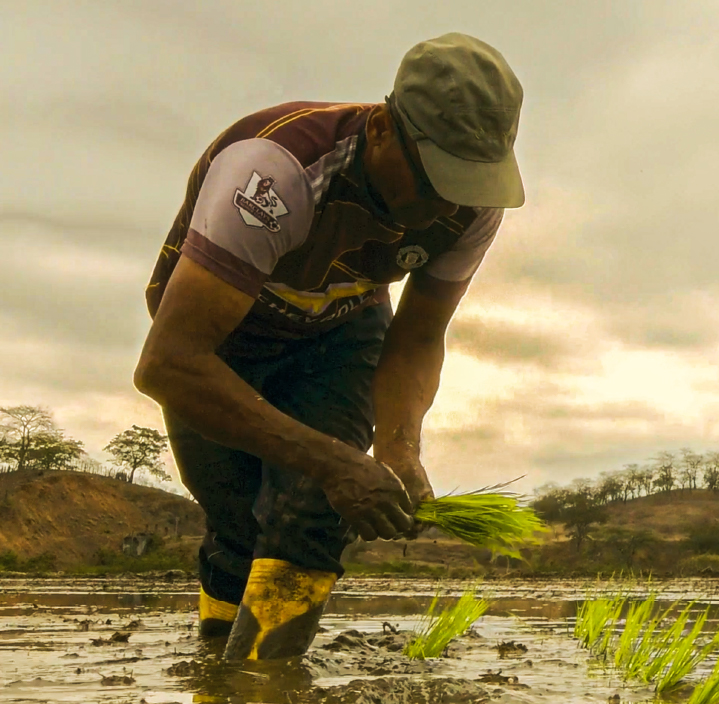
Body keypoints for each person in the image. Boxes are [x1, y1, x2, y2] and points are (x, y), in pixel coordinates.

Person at [134, 33, 524, 661]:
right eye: (432, 178)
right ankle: (220, 698)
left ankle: (263, 689)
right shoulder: (275, 172)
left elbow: (419, 334)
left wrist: (398, 445)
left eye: (465, 182)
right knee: (235, 516)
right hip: (220, 343)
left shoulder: (471, 207)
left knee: (310, 515)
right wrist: (337, 462)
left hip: (340, 336)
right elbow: (168, 364)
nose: (440, 206)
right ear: (380, 130)